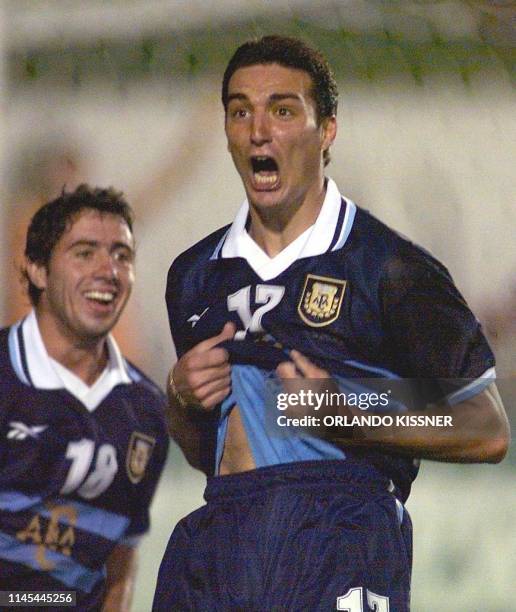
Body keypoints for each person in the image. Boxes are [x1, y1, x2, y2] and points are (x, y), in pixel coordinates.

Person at [153, 36, 510, 611]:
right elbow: (208, 450)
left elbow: (486, 426)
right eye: (240, 110)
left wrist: (341, 411)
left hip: (339, 539)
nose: (258, 129)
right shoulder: (194, 275)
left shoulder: (390, 268)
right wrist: (179, 400)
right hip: (224, 538)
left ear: (327, 130)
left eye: (284, 110)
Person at [0, 185, 169, 611]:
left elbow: (119, 562)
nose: (108, 270)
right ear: (37, 270)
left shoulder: (145, 413)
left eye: (121, 255)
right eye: (84, 252)